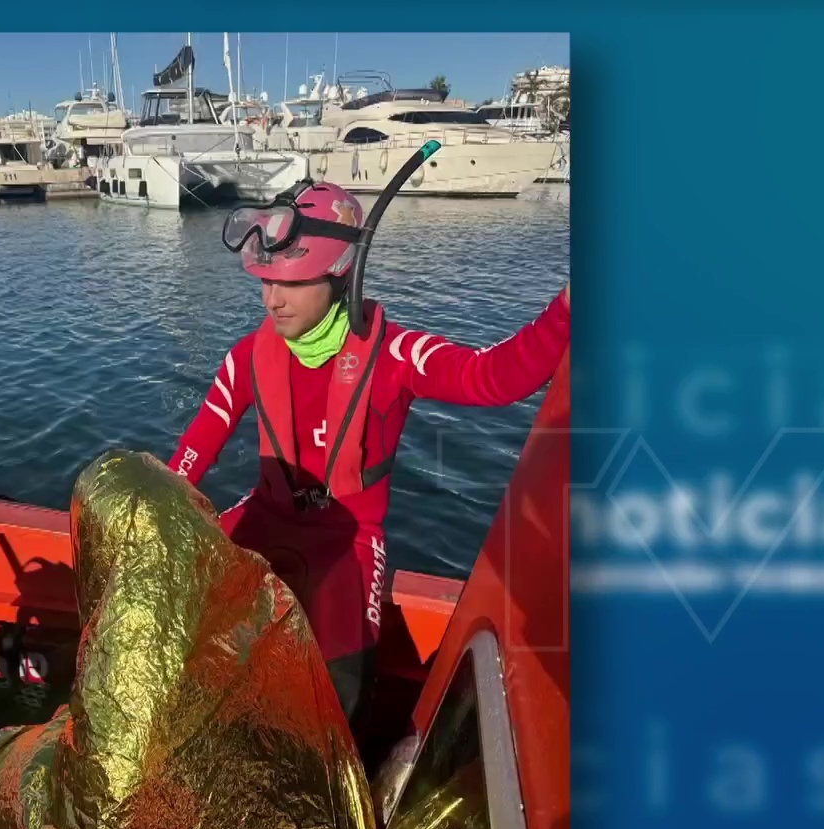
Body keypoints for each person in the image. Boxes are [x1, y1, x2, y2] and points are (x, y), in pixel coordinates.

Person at [167, 179, 570, 743]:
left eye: (292, 283)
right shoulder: (248, 356)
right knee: (168, 607)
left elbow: (495, 377)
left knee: (343, 690)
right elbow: (195, 449)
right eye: (266, 282)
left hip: (349, 539)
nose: (272, 300)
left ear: (341, 274)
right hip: (265, 517)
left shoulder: (395, 357)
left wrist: (567, 310)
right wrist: (161, 507)